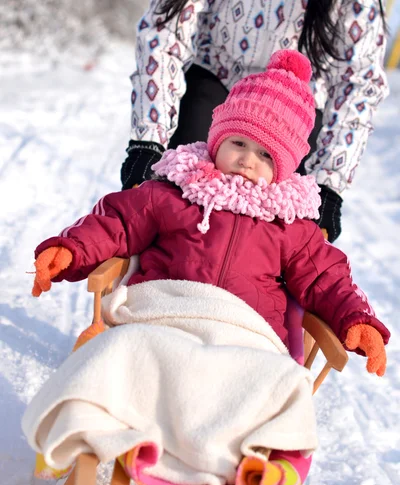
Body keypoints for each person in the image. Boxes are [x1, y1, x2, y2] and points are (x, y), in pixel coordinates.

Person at [32, 50, 389, 376]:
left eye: (266, 155)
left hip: (242, 334)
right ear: (217, 139)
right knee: (123, 354)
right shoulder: (176, 190)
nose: (247, 160)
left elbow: (324, 278)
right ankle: (96, 412)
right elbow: (118, 222)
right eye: (238, 143)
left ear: (285, 167)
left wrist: (356, 319)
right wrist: (72, 248)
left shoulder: (291, 224)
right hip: (163, 312)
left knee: (273, 383)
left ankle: (257, 441)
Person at [120, 0, 388, 243]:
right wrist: (148, 141)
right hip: (218, 78)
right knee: (181, 184)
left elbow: (359, 84)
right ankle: (160, 257)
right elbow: (164, 31)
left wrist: (329, 184)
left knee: (284, 220)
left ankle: (262, 280)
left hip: (295, 107)